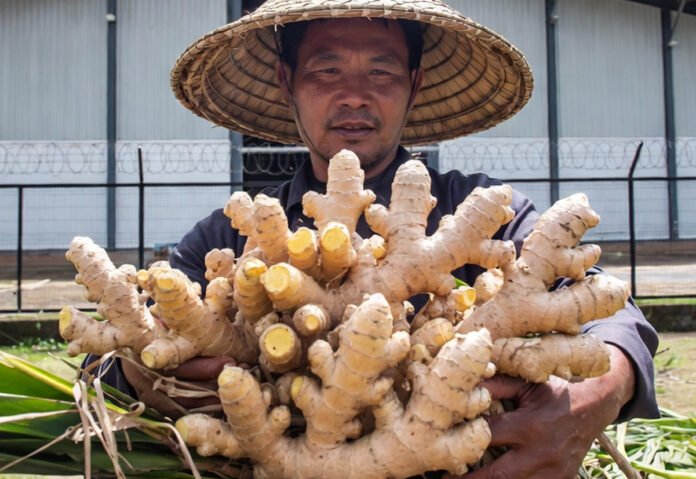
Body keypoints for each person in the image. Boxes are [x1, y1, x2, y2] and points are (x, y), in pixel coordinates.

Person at [116, 1, 659, 477]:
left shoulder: (481, 214)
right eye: (326, 70)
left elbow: (611, 313)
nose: (354, 96)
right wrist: (149, 366)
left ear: (414, 84)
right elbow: (116, 346)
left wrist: (595, 394)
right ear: (287, 82)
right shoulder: (234, 233)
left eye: (382, 73)